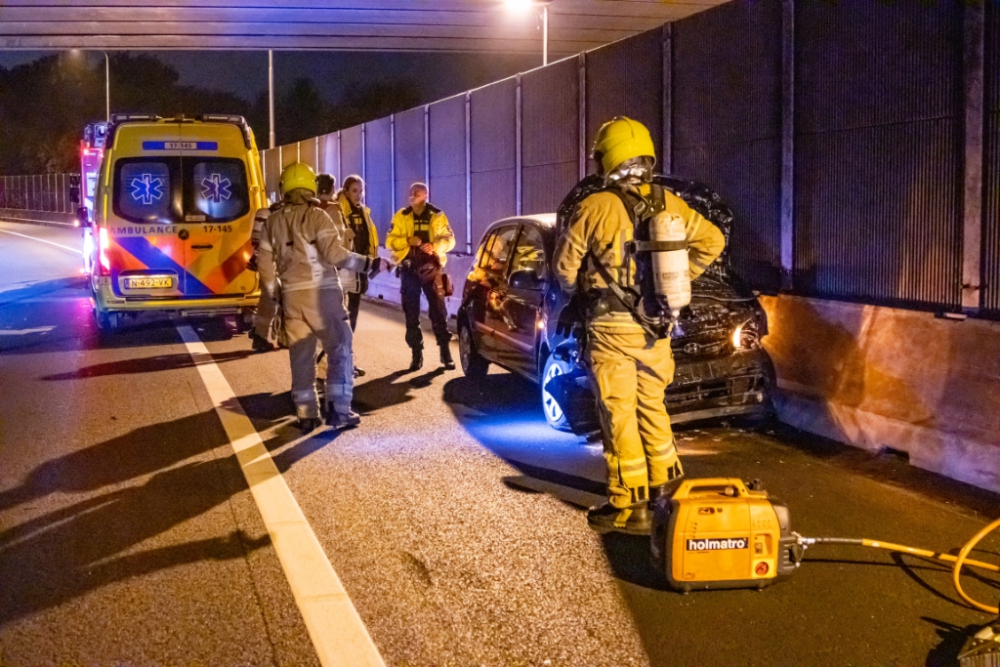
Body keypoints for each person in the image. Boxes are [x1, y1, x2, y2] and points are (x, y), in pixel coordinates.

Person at [552, 117, 725, 535]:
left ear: (605, 159)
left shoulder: (595, 206)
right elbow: (714, 241)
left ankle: (630, 505)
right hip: (657, 326)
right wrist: (681, 280)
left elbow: (563, 269)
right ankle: (665, 489)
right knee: (653, 405)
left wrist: (585, 292)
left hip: (611, 330)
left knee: (619, 413)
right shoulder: (670, 203)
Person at [256, 162, 387, 431]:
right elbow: (336, 256)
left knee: (301, 357)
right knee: (340, 349)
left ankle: (306, 414)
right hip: (323, 294)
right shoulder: (319, 217)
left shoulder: (272, 223)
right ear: (309, 187)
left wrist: (276, 296)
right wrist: (369, 264)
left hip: (292, 298)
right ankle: (340, 410)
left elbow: (265, 268)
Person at [386, 182, 456, 372]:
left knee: (438, 312)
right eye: (410, 192)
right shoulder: (402, 215)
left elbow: (450, 240)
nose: (412, 194)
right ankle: (416, 354)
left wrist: (435, 246)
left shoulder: (437, 215)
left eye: (416, 192)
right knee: (411, 314)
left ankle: (445, 352)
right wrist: (408, 241)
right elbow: (390, 241)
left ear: (425, 195)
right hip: (409, 269)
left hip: (431, 269)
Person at [336, 175, 379, 337]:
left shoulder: (363, 211)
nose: (358, 195)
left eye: (361, 191)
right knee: (337, 311)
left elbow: (369, 237)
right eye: (354, 191)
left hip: (359, 266)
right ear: (346, 191)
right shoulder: (337, 210)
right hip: (341, 266)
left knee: (353, 310)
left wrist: (370, 258)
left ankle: (346, 351)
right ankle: (334, 352)